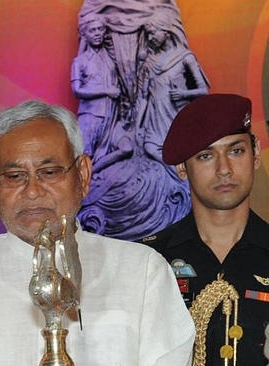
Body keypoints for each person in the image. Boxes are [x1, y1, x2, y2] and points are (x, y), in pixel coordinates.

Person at [0, 99, 194, 365]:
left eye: (49, 172)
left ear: (83, 175)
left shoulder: (141, 270)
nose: (32, 191)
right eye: (15, 175)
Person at [141, 93, 269, 365]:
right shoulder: (149, 260)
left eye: (236, 151)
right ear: (181, 168)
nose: (224, 169)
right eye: (206, 156)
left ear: (256, 154)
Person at [138, 13, 209, 163]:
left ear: (165, 31)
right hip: (156, 122)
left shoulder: (185, 58)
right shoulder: (150, 62)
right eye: (147, 35)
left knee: (180, 149)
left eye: (152, 33)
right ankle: (177, 169)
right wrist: (138, 125)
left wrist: (183, 93)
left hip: (176, 117)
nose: (150, 39)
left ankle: (181, 172)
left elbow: (203, 91)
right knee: (150, 148)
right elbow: (144, 97)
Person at [71, 13, 121, 159]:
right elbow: (77, 90)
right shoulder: (80, 61)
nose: (98, 33)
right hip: (90, 115)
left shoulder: (110, 58)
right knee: (84, 154)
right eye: (93, 30)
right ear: (84, 34)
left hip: (110, 114)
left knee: (104, 155)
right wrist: (106, 91)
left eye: (100, 29)